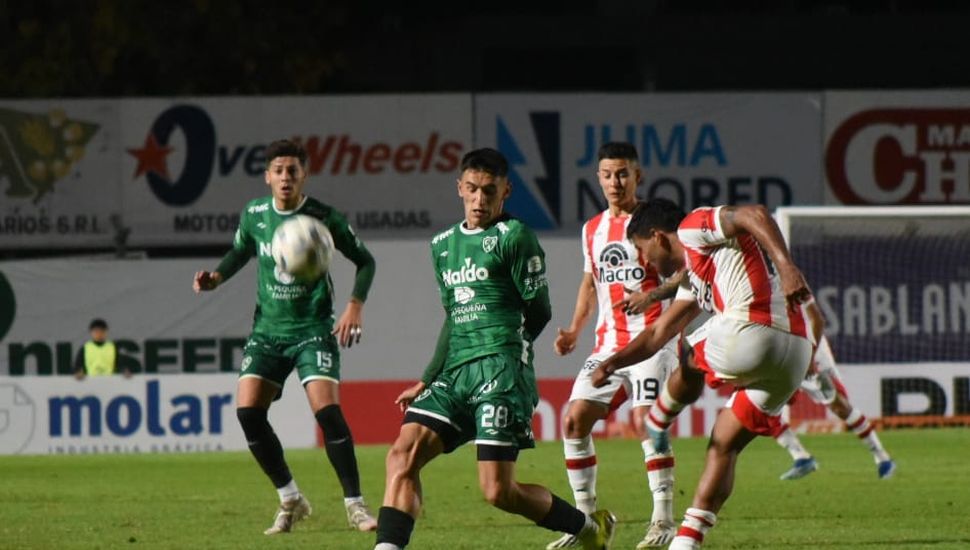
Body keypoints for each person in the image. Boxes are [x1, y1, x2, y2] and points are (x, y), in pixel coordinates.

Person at [374, 148, 615, 550]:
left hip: (500, 374)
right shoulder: (443, 244)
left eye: (490, 191)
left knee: (498, 492)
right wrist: (426, 378)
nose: (480, 200)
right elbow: (454, 316)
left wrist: (507, 352)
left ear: (506, 190)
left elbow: (538, 310)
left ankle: (590, 529)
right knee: (401, 456)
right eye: (472, 189)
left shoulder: (515, 236)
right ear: (460, 189)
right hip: (453, 374)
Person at [589, 199, 815, 549]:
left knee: (688, 349)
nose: (644, 261)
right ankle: (687, 541)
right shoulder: (698, 272)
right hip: (794, 355)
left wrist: (787, 267)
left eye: (641, 250)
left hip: (753, 331)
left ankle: (659, 419)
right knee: (724, 443)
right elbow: (654, 334)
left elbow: (753, 213)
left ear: (657, 237)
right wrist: (611, 363)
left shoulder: (692, 226)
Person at [192, 139, 378, 535]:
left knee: (327, 413)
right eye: (278, 171)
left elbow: (365, 261)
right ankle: (290, 499)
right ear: (267, 177)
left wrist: (354, 305)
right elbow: (239, 251)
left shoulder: (323, 217)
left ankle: (356, 506)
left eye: (293, 170)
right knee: (248, 414)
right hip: (268, 332)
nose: (285, 178)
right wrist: (216, 277)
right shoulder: (255, 215)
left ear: (303, 175)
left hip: (313, 329)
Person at [548, 143, 679, 550]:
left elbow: (687, 270)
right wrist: (573, 328)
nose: (614, 182)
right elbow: (590, 284)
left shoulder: (656, 222)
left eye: (622, 173)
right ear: (598, 178)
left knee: (645, 421)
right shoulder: (592, 230)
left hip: (653, 338)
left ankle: (663, 519)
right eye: (606, 174)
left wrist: (654, 297)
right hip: (608, 343)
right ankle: (587, 523)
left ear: (637, 176)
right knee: (573, 421)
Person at [774, 302, 896, 480]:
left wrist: (810, 355)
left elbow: (817, 319)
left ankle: (882, 458)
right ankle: (801, 457)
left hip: (809, 345)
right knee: (765, 409)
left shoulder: (789, 279)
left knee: (839, 406)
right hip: (781, 351)